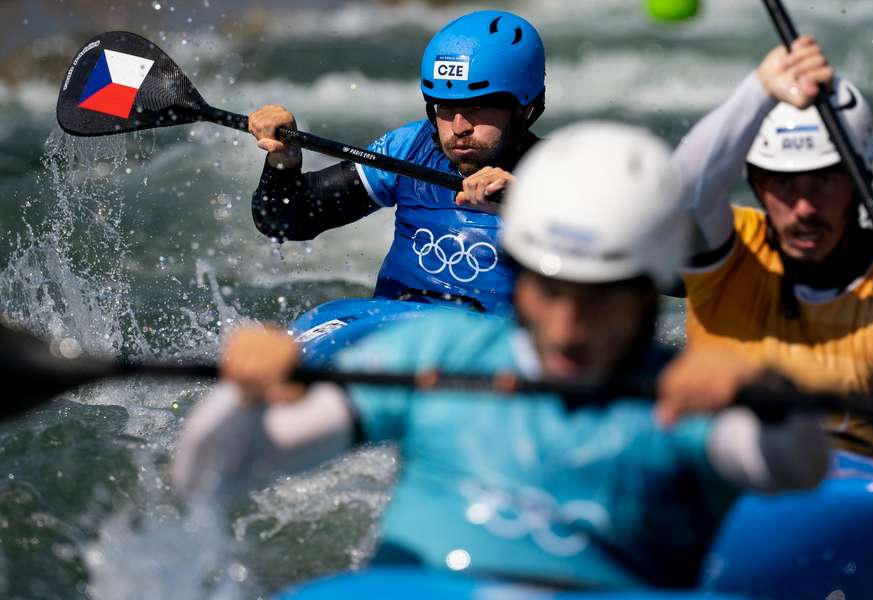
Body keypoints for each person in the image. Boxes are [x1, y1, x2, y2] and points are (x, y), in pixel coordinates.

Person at [173, 122, 828, 590]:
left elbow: (796, 467)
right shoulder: (437, 353)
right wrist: (243, 391)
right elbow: (207, 474)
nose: (570, 326)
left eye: (599, 298)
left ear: (645, 287)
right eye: (549, 289)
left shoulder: (679, 399)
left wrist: (764, 390)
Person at [674, 35, 873, 459]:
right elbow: (679, 192)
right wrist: (760, 89)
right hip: (732, 495)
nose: (803, 207)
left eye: (825, 180)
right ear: (757, 185)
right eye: (783, 183)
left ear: (860, 181)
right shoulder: (728, 255)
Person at [247, 10, 546, 314]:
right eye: (444, 107)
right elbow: (283, 222)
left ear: (525, 108)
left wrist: (528, 207)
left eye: (478, 107)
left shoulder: (561, 179)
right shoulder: (410, 148)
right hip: (394, 329)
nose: (458, 127)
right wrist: (283, 160)